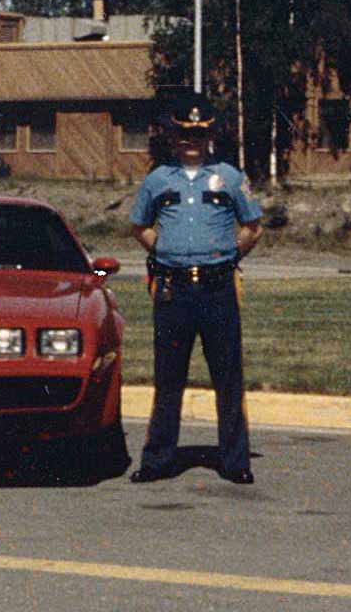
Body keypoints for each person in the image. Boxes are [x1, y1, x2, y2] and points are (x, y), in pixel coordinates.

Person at [126, 94, 263, 484]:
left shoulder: (230, 178)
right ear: (173, 137)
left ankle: (235, 462)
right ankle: (157, 460)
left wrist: (225, 256)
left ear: (210, 136)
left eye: (199, 134)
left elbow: (253, 227)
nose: (192, 142)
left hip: (218, 289)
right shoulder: (157, 180)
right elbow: (139, 227)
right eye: (185, 134)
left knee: (228, 378)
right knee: (168, 378)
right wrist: (167, 251)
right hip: (173, 292)